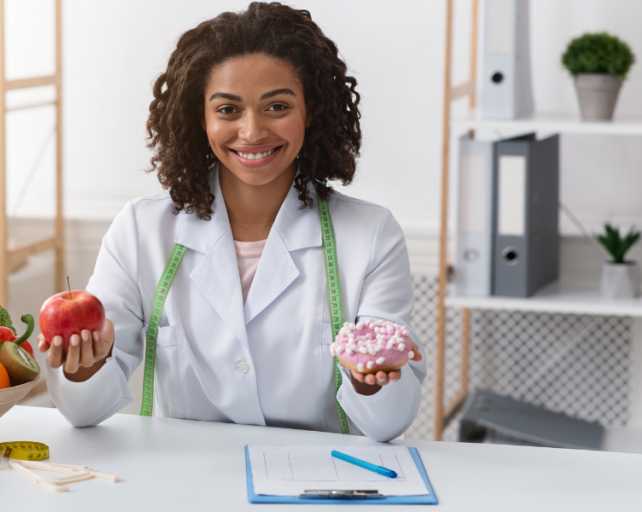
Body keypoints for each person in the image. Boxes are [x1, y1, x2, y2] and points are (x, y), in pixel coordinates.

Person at [39, 2, 425, 442]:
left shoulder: (371, 236)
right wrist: (87, 366)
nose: (252, 131)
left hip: (316, 485)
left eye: (277, 106)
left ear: (311, 110)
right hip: (188, 482)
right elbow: (85, 412)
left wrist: (368, 377)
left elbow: (390, 422)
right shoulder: (140, 230)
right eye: (228, 110)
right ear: (199, 117)